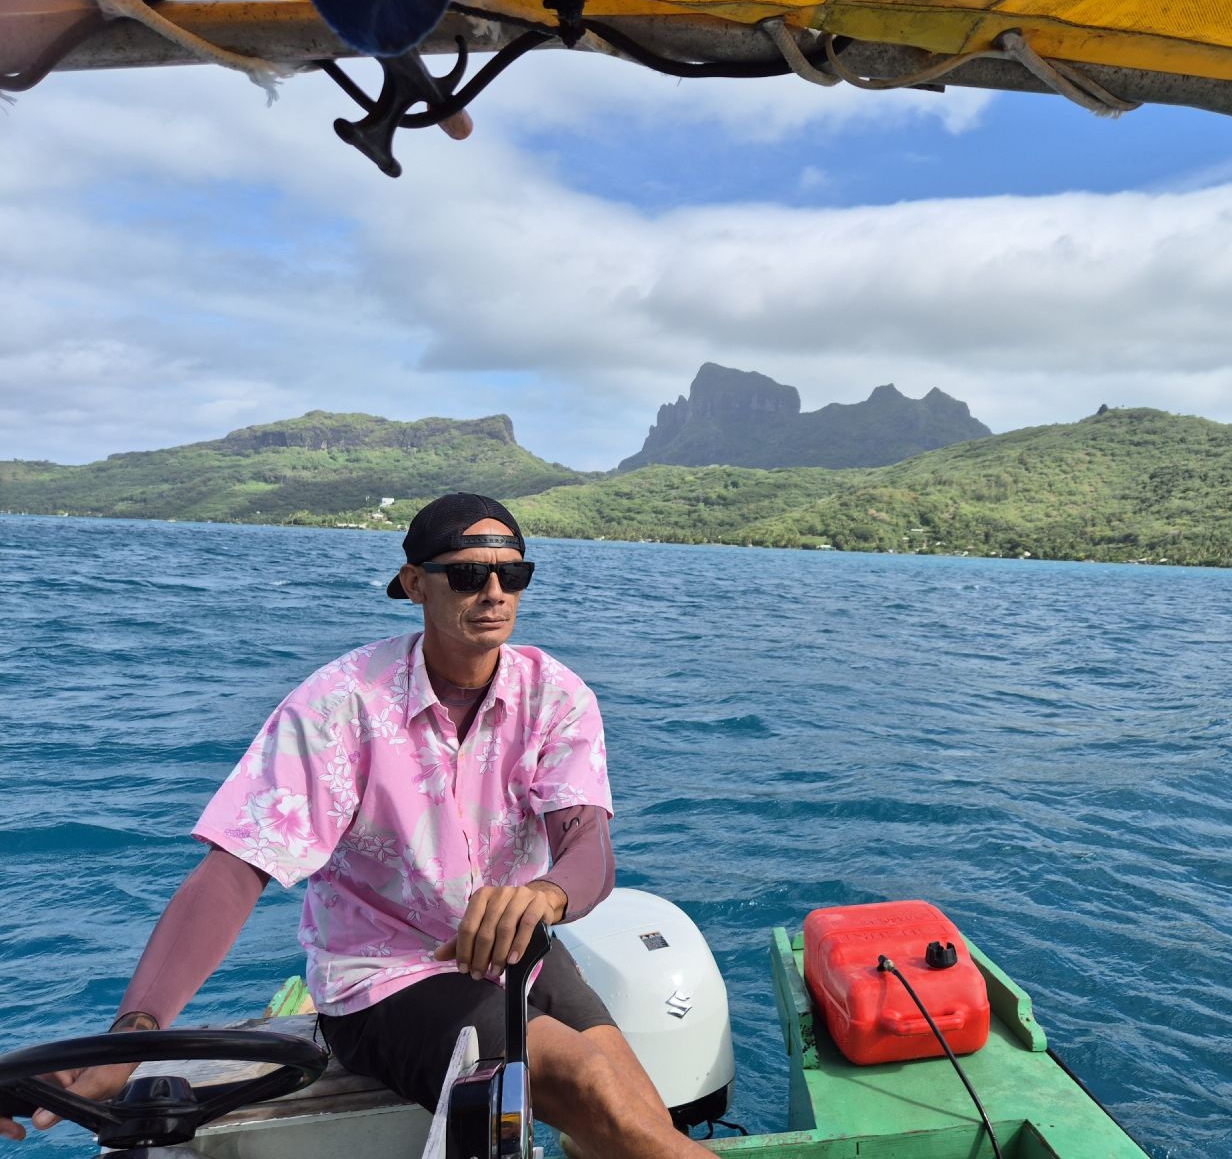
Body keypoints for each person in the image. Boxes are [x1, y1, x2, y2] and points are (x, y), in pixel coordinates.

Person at [3, 493, 708, 1159]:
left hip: (519, 949)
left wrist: (546, 894)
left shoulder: (554, 695)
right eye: (468, 575)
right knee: (590, 1084)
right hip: (385, 978)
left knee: (641, 1114)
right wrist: (137, 1030)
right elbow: (237, 868)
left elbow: (587, 843)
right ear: (416, 583)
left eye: (512, 574)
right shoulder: (341, 704)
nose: (494, 592)